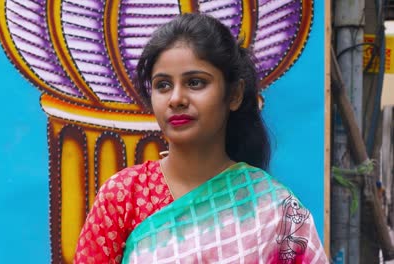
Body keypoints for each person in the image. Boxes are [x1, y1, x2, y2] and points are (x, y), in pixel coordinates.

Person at [74, 13, 328, 263]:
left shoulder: (273, 209)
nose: (176, 99)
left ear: (235, 94)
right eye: (163, 85)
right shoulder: (124, 196)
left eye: (195, 83)